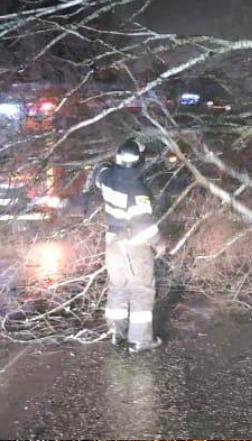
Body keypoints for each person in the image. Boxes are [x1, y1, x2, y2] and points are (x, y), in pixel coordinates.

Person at [95, 137, 166, 352]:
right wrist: (159, 242)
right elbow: (142, 221)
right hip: (133, 244)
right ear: (138, 161)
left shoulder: (107, 177)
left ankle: (115, 333)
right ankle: (140, 340)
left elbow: (98, 173)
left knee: (118, 288)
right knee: (142, 290)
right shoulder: (136, 187)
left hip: (113, 243)